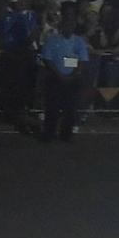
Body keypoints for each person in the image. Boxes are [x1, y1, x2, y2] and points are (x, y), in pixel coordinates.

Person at [38, 14, 89, 142]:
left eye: (72, 25)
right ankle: (49, 134)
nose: (69, 28)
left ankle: (66, 134)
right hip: (55, 78)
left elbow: (82, 60)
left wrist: (72, 75)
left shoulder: (79, 41)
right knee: (52, 107)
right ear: (61, 26)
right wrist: (60, 75)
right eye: (66, 25)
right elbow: (47, 59)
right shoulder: (52, 40)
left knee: (70, 108)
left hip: (72, 79)